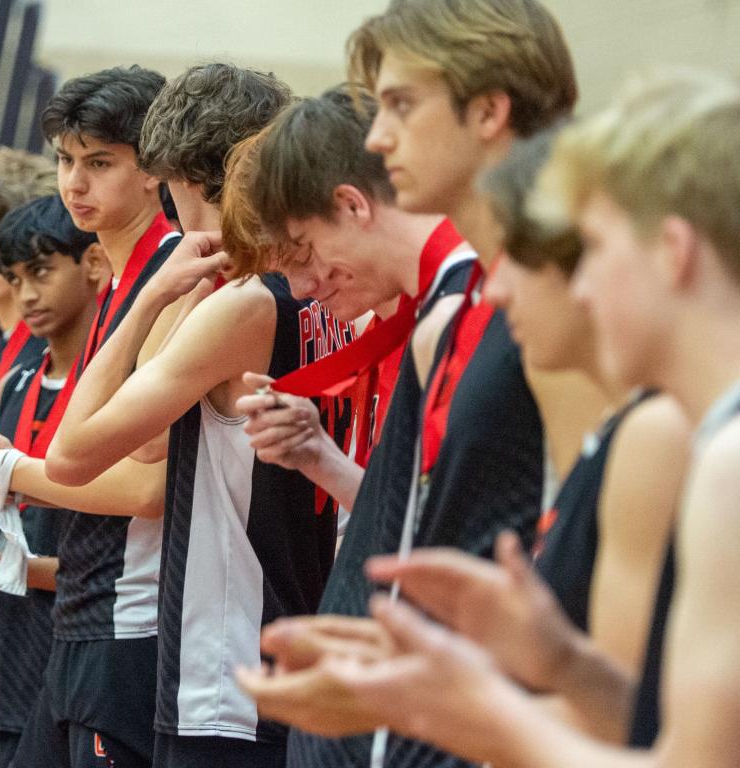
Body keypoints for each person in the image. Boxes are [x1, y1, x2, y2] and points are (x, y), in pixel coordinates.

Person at [252, 68, 740, 768]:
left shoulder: (708, 450)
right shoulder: (688, 432)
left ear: (672, 251)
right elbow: (648, 724)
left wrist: (454, 705)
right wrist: (561, 663)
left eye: (591, 250)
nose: (503, 289)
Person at [231, 2, 578, 765]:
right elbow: (434, 532)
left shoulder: (560, 300)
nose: (378, 138)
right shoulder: (451, 314)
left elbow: (579, 567)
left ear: (488, 110)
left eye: (400, 105)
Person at [43, 62, 350, 768]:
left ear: (174, 174)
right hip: (300, 637)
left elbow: (76, 453)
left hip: (228, 667)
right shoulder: (325, 287)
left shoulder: (238, 301)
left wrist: (149, 297)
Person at [0, 67, 183, 768]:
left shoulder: (169, 280)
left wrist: (4, 469)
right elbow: (93, 457)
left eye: (99, 163)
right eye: (64, 160)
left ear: (156, 171)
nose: (74, 184)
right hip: (84, 619)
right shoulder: (123, 283)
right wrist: (2, 464)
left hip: (131, 626)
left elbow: (149, 489)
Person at [221, 86, 475, 535]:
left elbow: (457, 538)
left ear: (352, 205)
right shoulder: (409, 313)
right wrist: (320, 457)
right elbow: (411, 524)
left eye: (303, 253)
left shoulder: (464, 306)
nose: (300, 290)